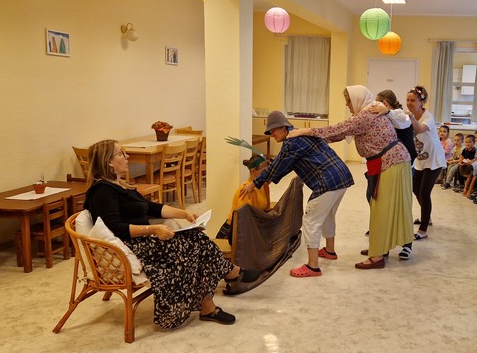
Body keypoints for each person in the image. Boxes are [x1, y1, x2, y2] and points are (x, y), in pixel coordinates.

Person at [84, 140, 258, 327]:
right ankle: (229, 276)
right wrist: (152, 229)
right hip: (133, 245)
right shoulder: (102, 191)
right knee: (192, 245)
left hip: (143, 239)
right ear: (109, 161)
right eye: (121, 153)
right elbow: (115, 227)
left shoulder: (120, 185)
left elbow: (151, 207)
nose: (127, 156)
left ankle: (216, 295)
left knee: (195, 237)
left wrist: (183, 213)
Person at [291, 85, 413, 266]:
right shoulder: (366, 113)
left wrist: (303, 131)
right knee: (380, 207)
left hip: (391, 162)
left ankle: (377, 256)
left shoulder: (366, 114)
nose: (347, 105)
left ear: (357, 99)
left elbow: (337, 130)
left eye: (348, 101)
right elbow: (340, 133)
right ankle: (380, 247)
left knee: (382, 209)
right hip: (391, 161)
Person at [243, 111, 354, 278]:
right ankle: (329, 251)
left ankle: (313, 266)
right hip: (341, 176)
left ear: (283, 127)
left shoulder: (291, 142)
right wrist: (270, 178)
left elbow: (278, 164)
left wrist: (255, 182)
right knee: (327, 215)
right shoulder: (301, 134)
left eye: (273, 130)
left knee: (310, 220)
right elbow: (287, 164)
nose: (272, 135)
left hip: (328, 181)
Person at [406, 86, 446, 240]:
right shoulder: (409, 116)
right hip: (421, 159)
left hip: (434, 159)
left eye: (413, 100)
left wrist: (411, 118)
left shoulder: (428, 117)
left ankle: (423, 229)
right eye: (408, 100)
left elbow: (419, 130)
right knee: (416, 189)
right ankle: (426, 217)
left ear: (421, 102)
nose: (409, 103)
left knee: (424, 192)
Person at [215, 154, 270, 244]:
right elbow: (242, 221)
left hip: (254, 227)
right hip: (233, 231)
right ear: (253, 172)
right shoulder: (246, 191)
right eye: (264, 171)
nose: (267, 174)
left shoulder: (265, 186)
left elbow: (267, 210)